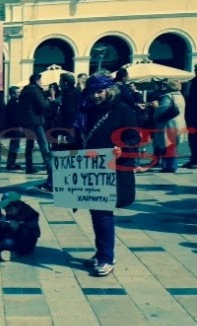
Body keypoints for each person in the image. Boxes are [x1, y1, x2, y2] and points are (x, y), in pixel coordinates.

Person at [72, 70, 140, 276]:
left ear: (109, 89)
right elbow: (80, 138)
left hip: (113, 169)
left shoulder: (122, 110)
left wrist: (121, 148)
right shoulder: (86, 111)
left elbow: (133, 137)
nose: (96, 96)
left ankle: (106, 258)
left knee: (103, 213)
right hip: (91, 167)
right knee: (96, 212)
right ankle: (102, 252)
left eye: (100, 91)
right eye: (92, 92)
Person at [19, 74, 53, 192]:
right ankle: (50, 171)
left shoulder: (24, 91)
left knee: (29, 145)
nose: (42, 82)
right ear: (37, 81)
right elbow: (43, 105)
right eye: (41, 80)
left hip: (26, 122)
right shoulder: (35, 90)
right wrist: (49, 99)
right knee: (44, 146)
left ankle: (29, 167)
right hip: (36, 122)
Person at [153, 80, 187, 173]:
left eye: (167, 85)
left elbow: (161, 110)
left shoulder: (168, 96)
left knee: (167, 146)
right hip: (179, 123)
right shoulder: (180, 96)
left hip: (169, 124)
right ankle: (172, 165)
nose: (165, 87)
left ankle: (169, 166)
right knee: (173, 145)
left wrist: (155, 109)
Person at [56, 73, 80, 150]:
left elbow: (68, 111)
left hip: (70, 124)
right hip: (76, 123)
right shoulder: (76, 90)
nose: (59, 85)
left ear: (65, 83)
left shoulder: (67, 93)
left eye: (60, 82)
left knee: (69, 146)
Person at [3, 86, 23, 170]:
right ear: (13, 94)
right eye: (17, 92)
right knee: (15, 146)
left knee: (14, 145)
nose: (19, 94)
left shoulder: (12, 102)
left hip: (14, 127)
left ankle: (11, 162)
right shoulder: (14, 103)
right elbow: (16, 117)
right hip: (15, 128)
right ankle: (11, 163)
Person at [182, 63, 197, 169]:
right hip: (192, 115)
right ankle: (194, 159)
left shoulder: (193, 82)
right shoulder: (192, 82)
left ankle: (195, 160)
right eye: (195, 68)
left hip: (194, 115)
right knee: (192, 138)